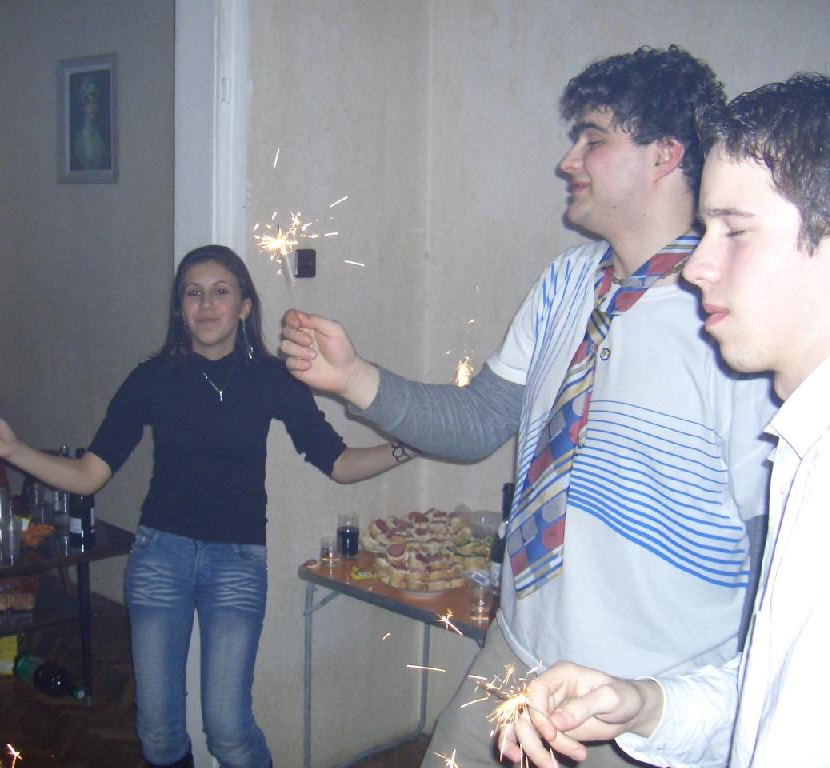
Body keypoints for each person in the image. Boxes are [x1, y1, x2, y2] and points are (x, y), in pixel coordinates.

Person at [280, 47, 776, 768]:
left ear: (665, 154)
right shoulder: (565, 283)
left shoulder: (730, 316)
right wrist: (354, 378)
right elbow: (480, 421)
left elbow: (773, 553)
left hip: (640, 699)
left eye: (593, 138)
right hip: (517, 653)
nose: (568, 160)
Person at [0, 244, 415, 768]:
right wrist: (15, 452)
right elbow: (90, 474)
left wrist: (406, 447)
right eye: (193, 293)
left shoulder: (273, 378)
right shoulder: (152, 379)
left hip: (237, 563)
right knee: (157, 734)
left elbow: (336, 462)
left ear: (244, 307)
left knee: (228, 731)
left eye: (220, 292)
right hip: (160, 558)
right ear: (180, 309)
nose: (206, 304)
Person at [499, 72, 830, 768]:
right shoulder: (806, 443)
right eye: (707, 229)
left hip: (664, 664)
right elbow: (771, 692)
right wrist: (646, 705)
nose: (700, 264)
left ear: (662, 155)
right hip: (553, 658)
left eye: (735, 230)